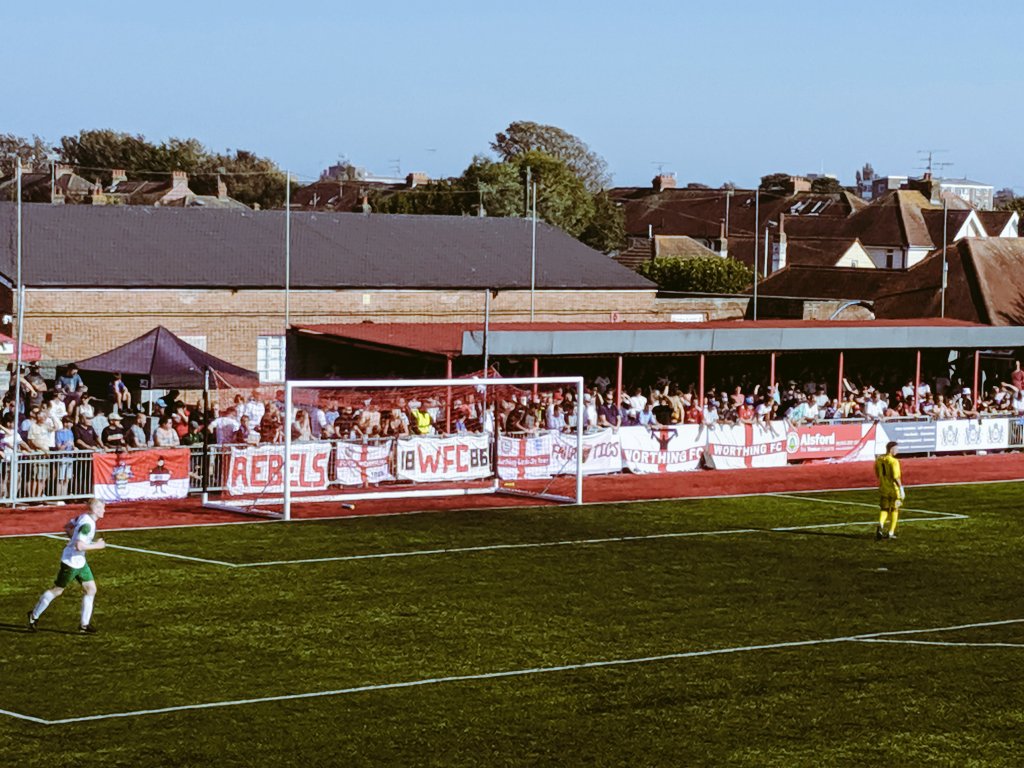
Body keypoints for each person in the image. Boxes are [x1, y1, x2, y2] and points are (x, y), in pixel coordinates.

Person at [28, 497, 107, 634]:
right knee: (57, 590)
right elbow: (79, 545)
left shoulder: (83, 517)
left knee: (91, 589)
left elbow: (68, 527)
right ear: (96, 509)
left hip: (80, 562)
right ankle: (33, 615)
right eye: (102, 507)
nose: (104, 510)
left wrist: (73, 540)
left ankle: (84, 625)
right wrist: (98, 546)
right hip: (71, 563)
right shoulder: (88, 525)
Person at [874, 441, 904, 541]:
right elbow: (896, 477)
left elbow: (877, 473)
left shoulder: (879, 459)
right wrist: (901, 488)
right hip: (894, 490)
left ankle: (881, 524)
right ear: (891, 449)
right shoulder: (894, 461)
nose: (898, 450)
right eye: (897, 448)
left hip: (883, 489)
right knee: (895, 510)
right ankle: (891, 532)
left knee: (884, 509)